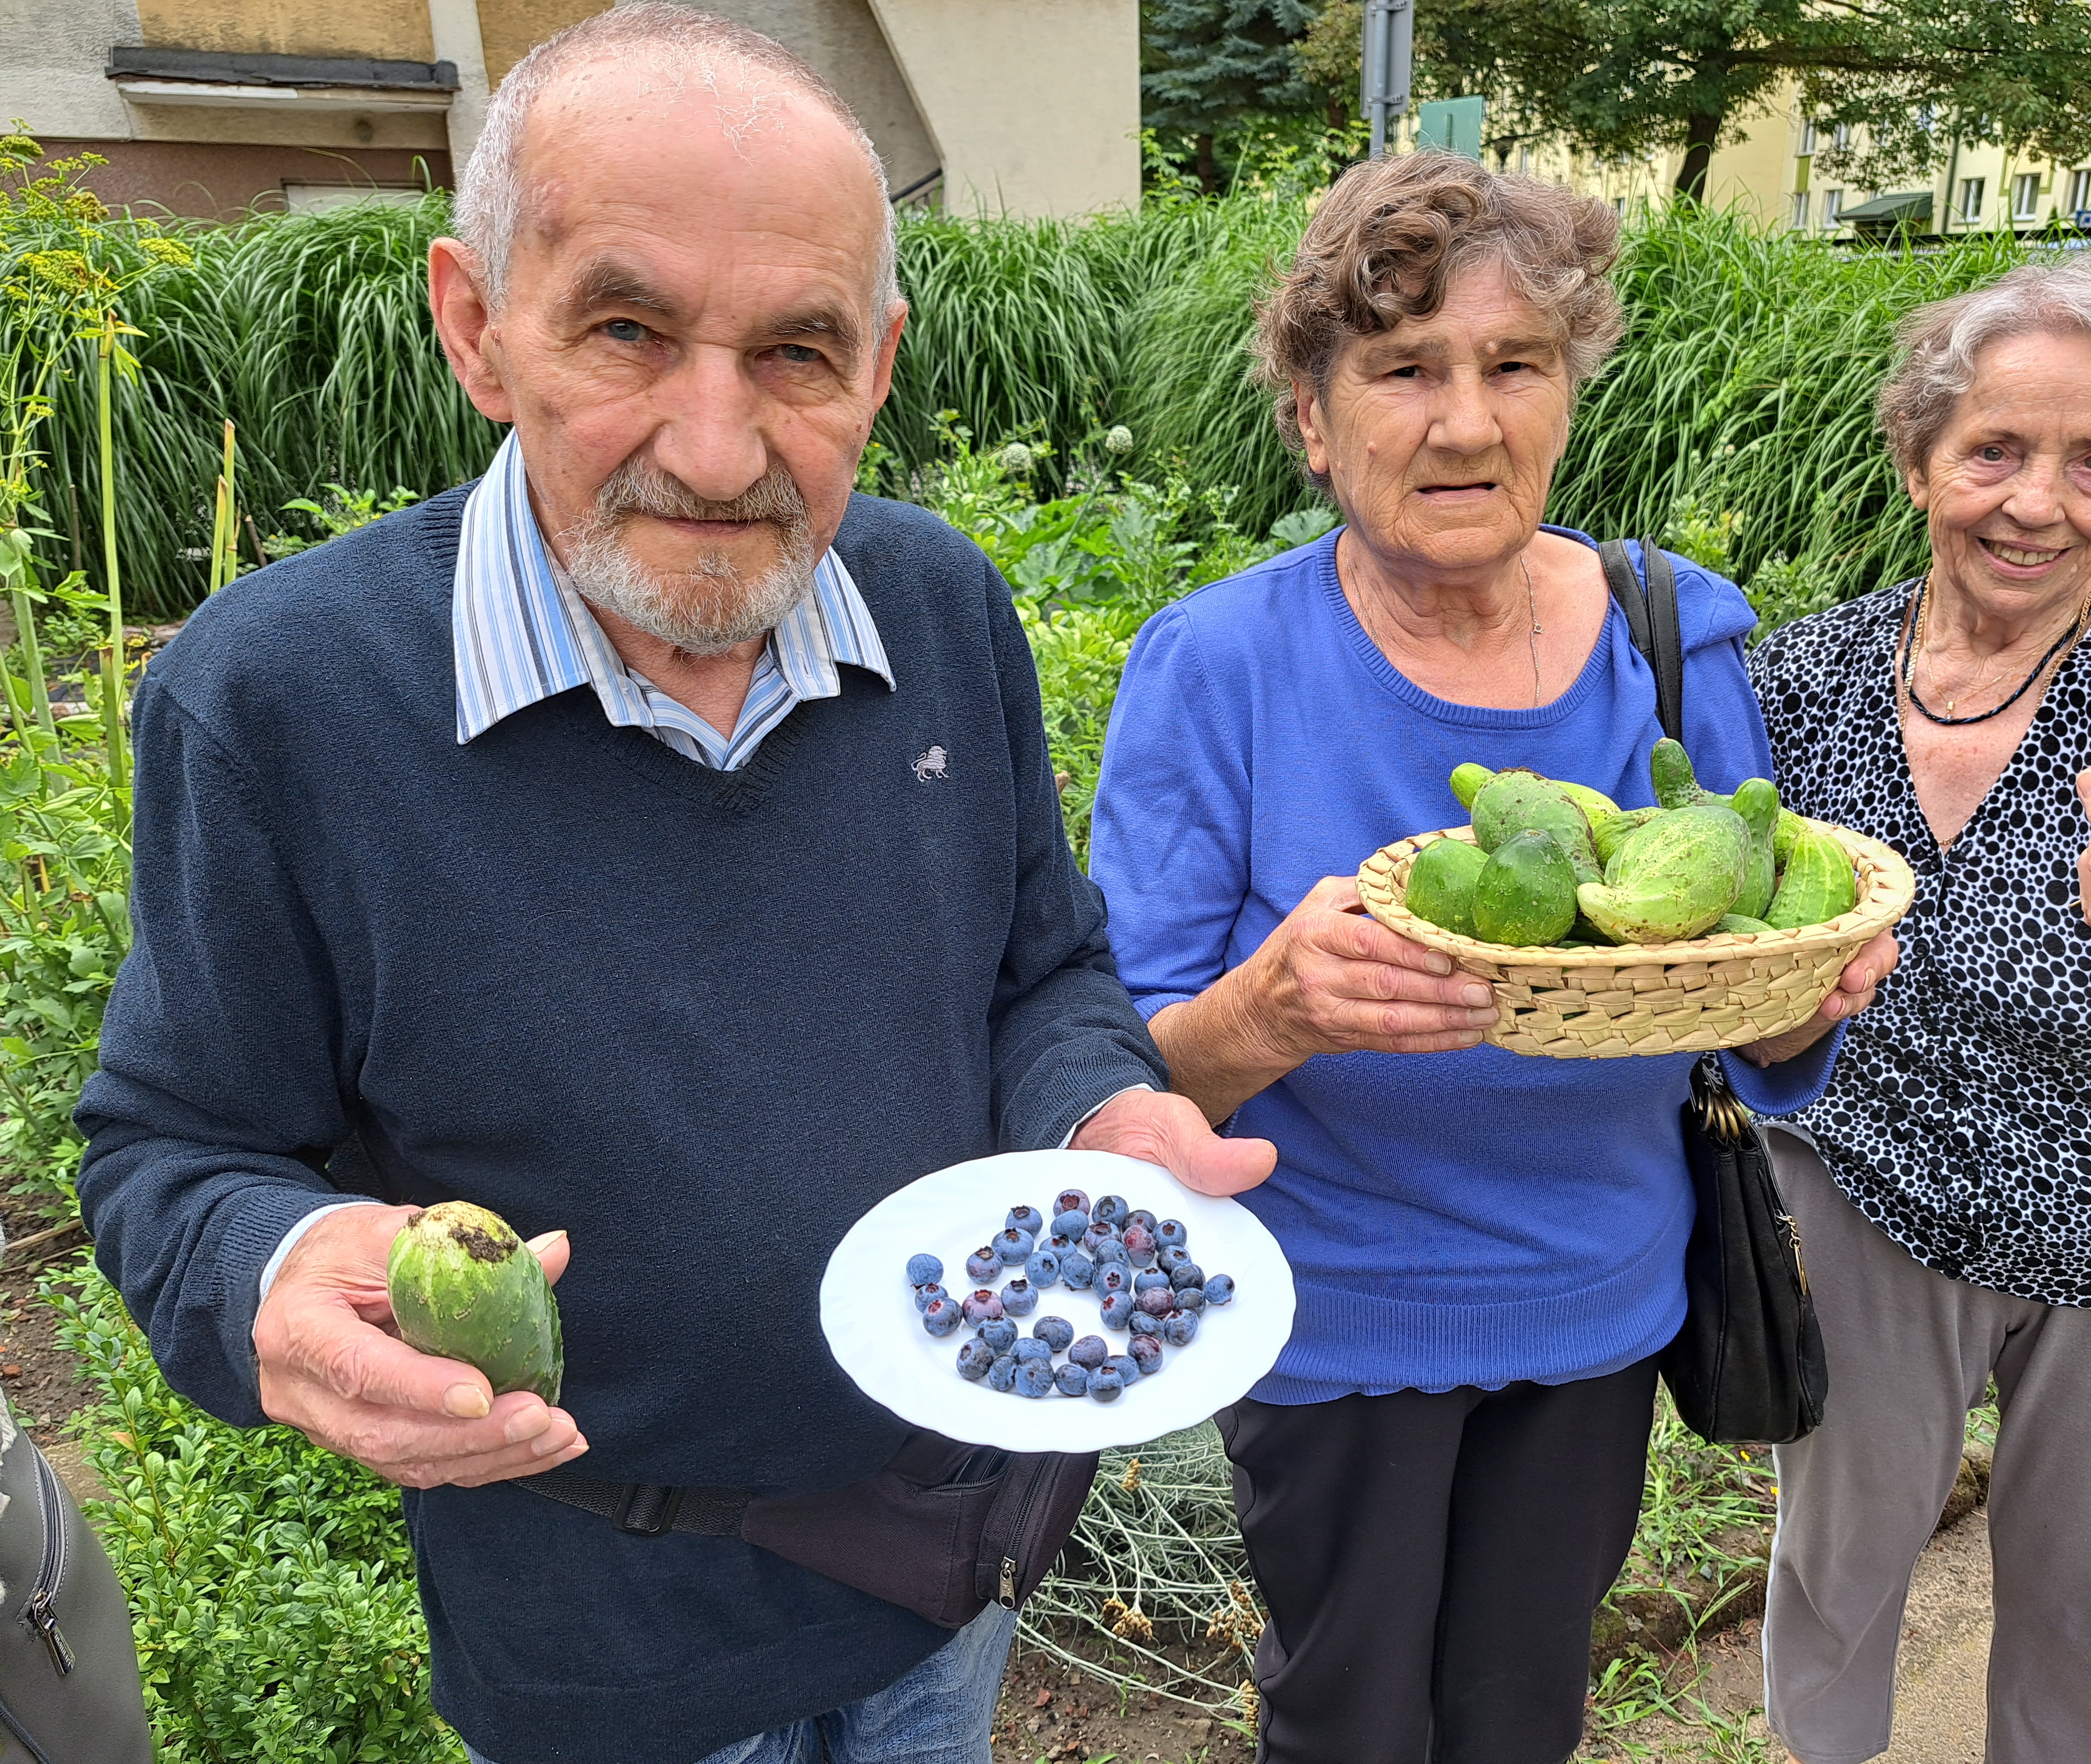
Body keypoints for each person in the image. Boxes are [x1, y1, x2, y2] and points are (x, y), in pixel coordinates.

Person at [72, 10, 1268, 1764]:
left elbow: (1041, 968)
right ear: (479, 330)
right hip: (598, 1648)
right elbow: (167, 1151)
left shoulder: (942, 612)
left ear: (878, 360)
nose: (718, 453)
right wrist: (275, 1268)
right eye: (628, 330)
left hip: (943, 1569)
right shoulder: (279, 703)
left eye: (798, 352)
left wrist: (1104, 1109)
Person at [1086, 152, 1897, 1764]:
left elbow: (1759, 995)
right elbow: (1123, 1054)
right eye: (1404, 369)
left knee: (1525, 1713)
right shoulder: (1218, 667)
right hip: (1333, 1315)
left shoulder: (1680, 635)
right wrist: (1271, 1006)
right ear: (1314, 421)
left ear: (1567, 397)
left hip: (1593, 1296)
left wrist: (1815, 993)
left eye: (1514, 364)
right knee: (1346, 1716)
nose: (1466, 420)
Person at [1746, 254, 2091, 1764]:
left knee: (2086, 1629)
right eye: (1994, 449)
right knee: (1832, 1580)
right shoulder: (1797, 680)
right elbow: (1751, 942)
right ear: (1920, 452)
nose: (2035, 502)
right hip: (1873, 1188)